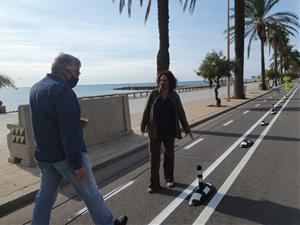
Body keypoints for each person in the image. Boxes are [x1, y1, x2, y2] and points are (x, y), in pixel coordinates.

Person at [29, 53, 127, 225]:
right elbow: (69, 134)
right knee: (91, 193)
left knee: (45, 197)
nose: (78, 77)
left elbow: (46, 121)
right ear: (67, 71)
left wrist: (74, 121)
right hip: (65, 157)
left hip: (44, 156)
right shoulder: (63, 91)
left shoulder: (35, 88)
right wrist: (77, 164)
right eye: (77, 72)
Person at [140, 70, 193, 193]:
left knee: (169, 156)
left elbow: (181, 113)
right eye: (161, 80)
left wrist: (187, 130)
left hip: (169, 131)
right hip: (154, 131)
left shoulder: (174, 96)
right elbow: (147, 111)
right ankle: (154, 184)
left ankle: (169, 179)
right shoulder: (153, 94)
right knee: (154, 158)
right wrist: (143, 125)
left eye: (165, 80)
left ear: (170, 83)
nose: (162, 82)